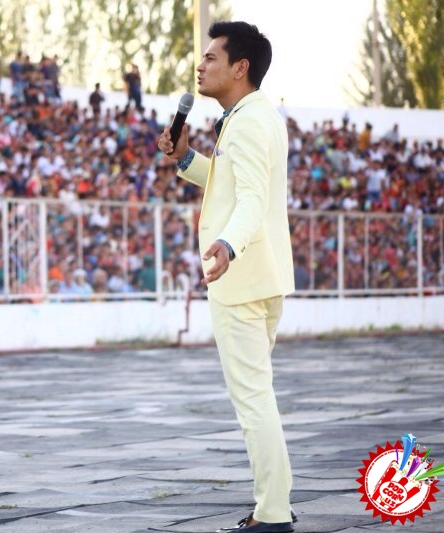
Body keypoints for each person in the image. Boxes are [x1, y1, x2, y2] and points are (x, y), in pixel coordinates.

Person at [158, 21, 295, 533]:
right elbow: (232, 184)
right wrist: (185, 158)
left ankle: (273, 515)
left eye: (211, 57)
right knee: (259, 397)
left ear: (241, 67)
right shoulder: (251, 116)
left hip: (241, 277)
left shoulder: (250, 122)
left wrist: (229, 243)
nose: (200, 65)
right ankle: (275, 505)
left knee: (253, 401)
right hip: (261, 275)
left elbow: (253, 200)